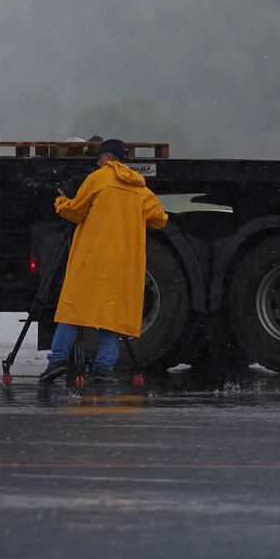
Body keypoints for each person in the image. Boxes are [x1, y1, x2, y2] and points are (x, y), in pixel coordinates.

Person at [39, 138, 168, 385]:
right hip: (122, 264)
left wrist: (61, 200)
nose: (97, 162)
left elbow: (74, 212)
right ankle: (104, 369)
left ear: (108, 158)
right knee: (112, 315)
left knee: (75, 310)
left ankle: (57, 361)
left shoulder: (98, 179)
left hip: (92, 259)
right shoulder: (141, 189)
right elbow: (159, 219)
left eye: (99, 158)